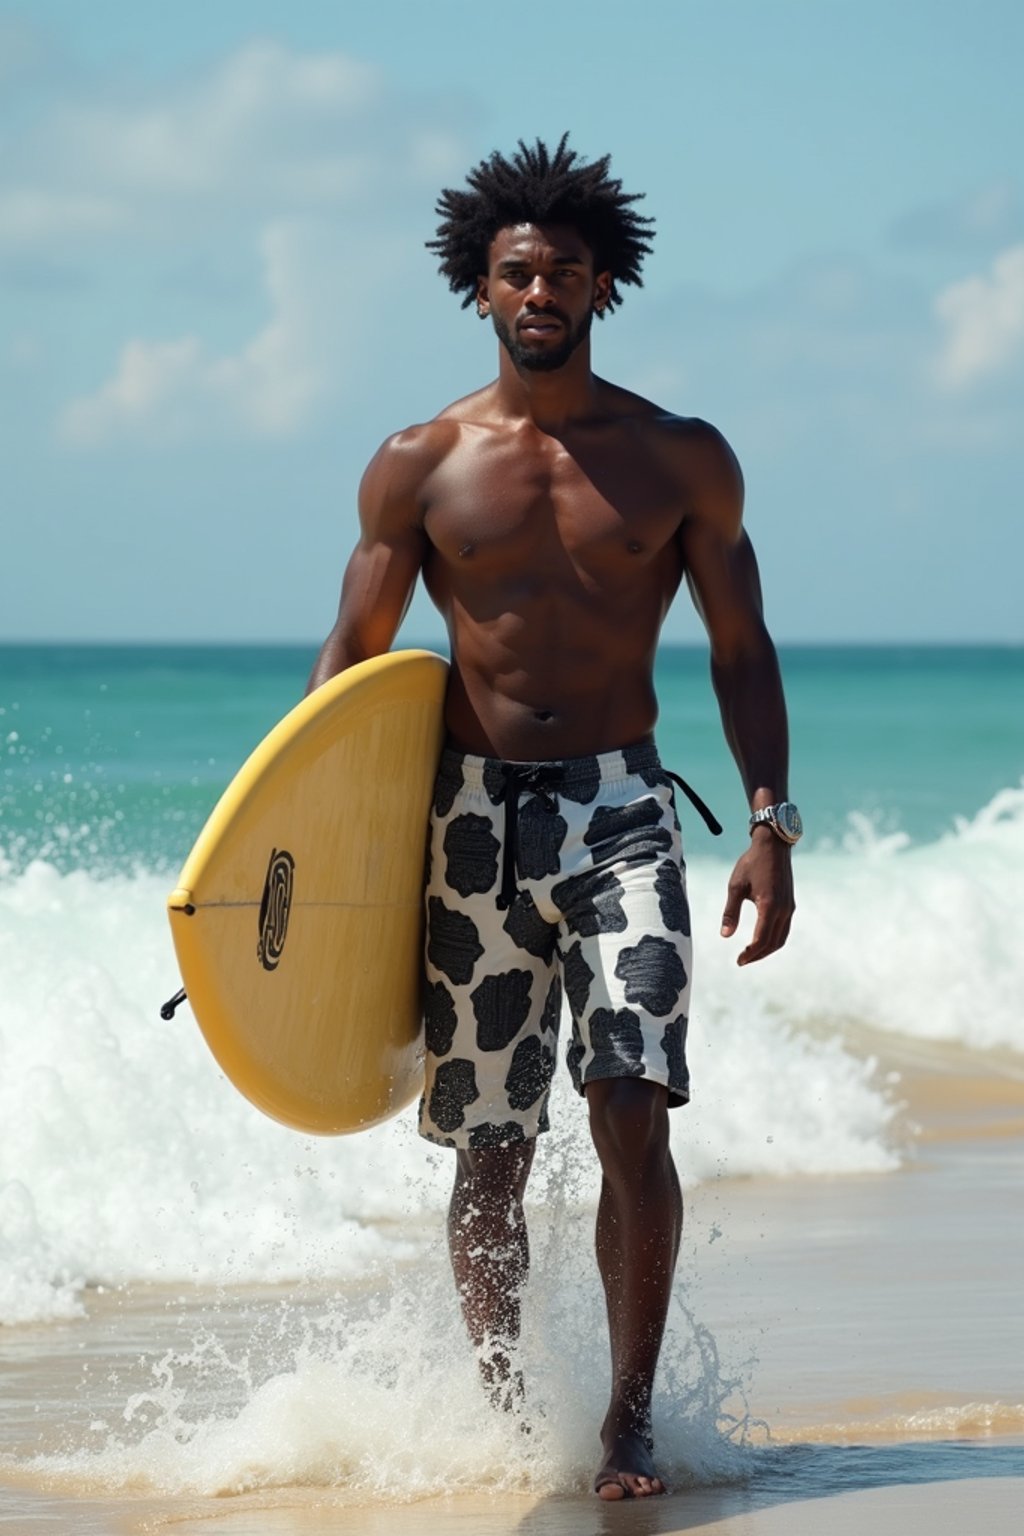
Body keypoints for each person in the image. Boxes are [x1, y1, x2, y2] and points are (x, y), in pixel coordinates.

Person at [308, 136, 798, 1500]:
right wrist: (291, 853)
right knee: (492, 1147)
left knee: (633, 1104)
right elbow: (348, 662)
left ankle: (627, 1420)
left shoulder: (677, 459)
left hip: (623, 806)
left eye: (565, 273)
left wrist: (770, 818)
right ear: (480, 287)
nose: (542, 292)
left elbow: (742, 650)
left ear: (602, 288)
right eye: (518, 272)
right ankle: (515, 1409)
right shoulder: (420, 464)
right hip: (467, 818)